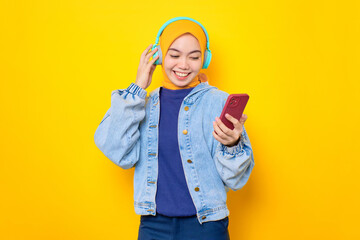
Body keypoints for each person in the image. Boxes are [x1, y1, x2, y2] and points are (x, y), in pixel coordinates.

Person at [94, 17, 255, 240]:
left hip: (207, 226)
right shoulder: (142, 104)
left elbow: (236, 180)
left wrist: (232, 145)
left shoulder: (218, 103)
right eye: (175, 55)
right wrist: (138, 86)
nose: (184, 65)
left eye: (194, 57)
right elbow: (117, 151)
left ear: (205, 59)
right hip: (153, 225)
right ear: (158, 57)